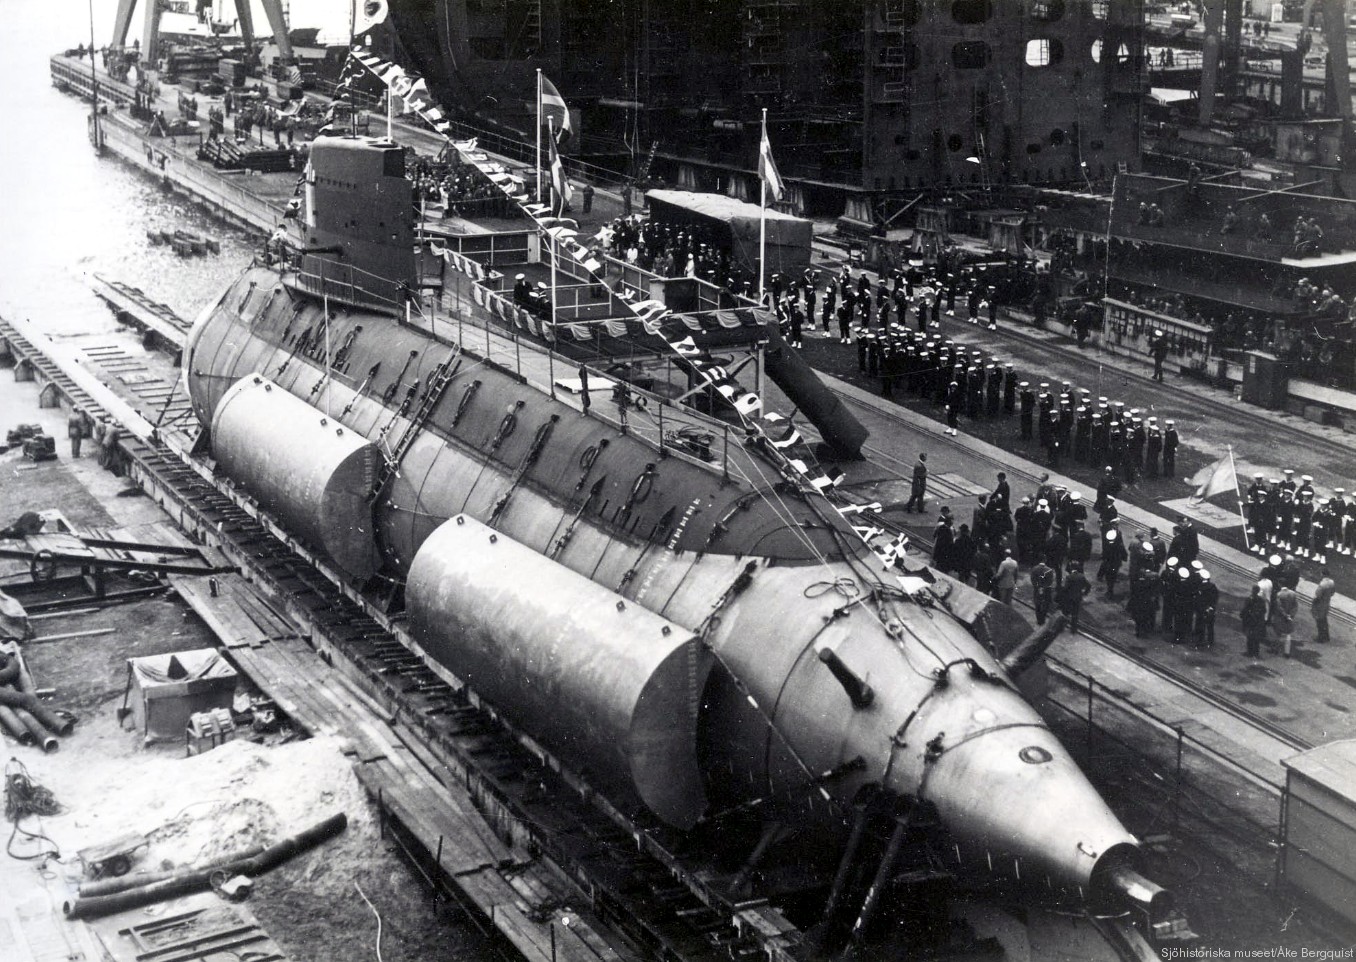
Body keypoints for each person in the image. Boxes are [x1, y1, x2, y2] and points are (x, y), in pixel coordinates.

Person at [1058, 563, 1092, 634]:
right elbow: (1089, 585)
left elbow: (1065, 588)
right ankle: (1073, 630)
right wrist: (1085, 593)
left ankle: (1060, 628)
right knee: (1075, 614)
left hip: (1069, 598)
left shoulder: (1069, 577)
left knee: (1065, 613)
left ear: (1072, 568)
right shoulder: (1082, 576)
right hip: (1078, 598)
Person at [1098, 528, 1127, 600]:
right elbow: (1124, 553)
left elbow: (1104, 556)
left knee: (1109, 578)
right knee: (1112, 577)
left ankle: (1109, 591)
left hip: (1108, 564)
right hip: (1115, 564)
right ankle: (1110, 590)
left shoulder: (1107, 545)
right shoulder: (1119, 545)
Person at [1240, 586, 1268, 658]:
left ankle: (1250, 652)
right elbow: (1264, 610)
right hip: (1258, 621)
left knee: (1249, 637)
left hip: (1250, 620)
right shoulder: (1261, 600)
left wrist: (1243, 616)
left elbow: (1245, 609)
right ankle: (1256, 653)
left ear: (1252, 590)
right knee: (1256, 638)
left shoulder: (1249, 599)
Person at [1272, 584, 1298, 657]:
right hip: (1290, 617)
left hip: (1280, 617)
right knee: (1288, 634)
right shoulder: (1293, 594)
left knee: (1278, 634)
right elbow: (1296, 606)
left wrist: (1285, 615)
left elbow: (1279, 607)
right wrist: (1291, 615)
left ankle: (1276, 649)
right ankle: (1287, 652)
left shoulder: (1279, 594)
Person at [1194, 570, 1218, 648]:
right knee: (1210, 626)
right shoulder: (1212, 586)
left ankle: (1200, 640)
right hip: (1210, 609)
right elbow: (1215, 598)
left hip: (1202, 609)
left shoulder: (1201, 586)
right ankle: (1210, 641)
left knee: (1201, 625)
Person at [1312, 568, 1335, 644]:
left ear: (1323, 574)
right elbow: (1332, 593)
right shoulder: (1332, 582)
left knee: (1319, 621)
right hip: (1326, 603)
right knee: (1324, 620)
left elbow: (1317, 595)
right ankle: (1326, 636)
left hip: (1320, 604)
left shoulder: (1322, 584)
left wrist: (1314, 603)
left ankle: (1321, 637)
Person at [1030, 558, 1055, 625]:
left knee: (1037, 604)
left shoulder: (1034, 568)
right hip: (1046, 590)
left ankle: (1039, 620)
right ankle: (1043, 619)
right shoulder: (1049, 570)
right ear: (1045, 561)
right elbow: (1050, 581)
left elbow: (1032, 579)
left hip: (1037, 589)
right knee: (1046, 604)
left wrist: (1037, 587)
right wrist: (1044, 587)